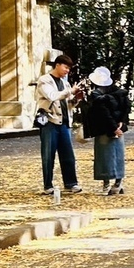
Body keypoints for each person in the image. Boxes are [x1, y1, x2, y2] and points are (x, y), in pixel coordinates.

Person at [35, 53, 85, 196]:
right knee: (48, 155)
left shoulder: (65, 82)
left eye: (69, 68)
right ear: (57, 65)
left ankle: (71, 184)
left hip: (64, 122)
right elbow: (52, 96)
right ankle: (48, 185)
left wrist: (76, 99)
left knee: (68, 155)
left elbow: (68, 102)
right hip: (49, 122)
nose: (67, 71)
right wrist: (70, 91)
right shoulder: (44, 80)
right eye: (65, 67)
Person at [83, 66, 131, 195]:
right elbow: (126, 108)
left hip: (104, 129)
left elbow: (103, 113)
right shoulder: (120, 93)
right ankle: (118, 182)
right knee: (118, 155)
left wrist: (114, 127)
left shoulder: (97, 95)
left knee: (104, 157)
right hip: (118, 127)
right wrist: (121, 123)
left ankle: (106, 184)